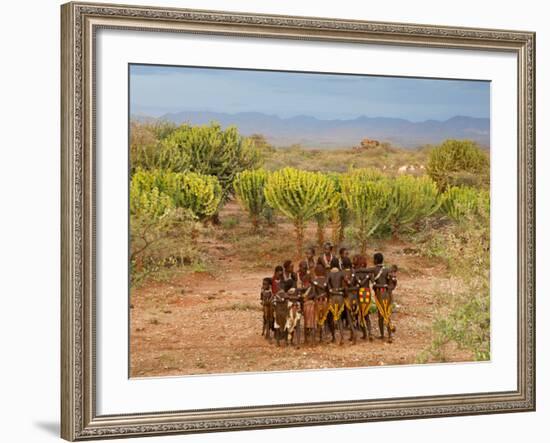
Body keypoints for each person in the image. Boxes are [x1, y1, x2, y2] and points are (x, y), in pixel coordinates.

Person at [367, 252, 398, 343]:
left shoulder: (374, 269)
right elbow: (394, 281)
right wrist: (390, 289)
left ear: (376, 260)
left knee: (381, 315)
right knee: (386, 314)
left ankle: (384, 335)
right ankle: (389, 336)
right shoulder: (387, 270)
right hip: (387, 295)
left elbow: (364, 270)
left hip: (380, 295)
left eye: (373, 259)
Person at [352, 255, 374, 341]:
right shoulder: (368, 272)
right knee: (366, 314)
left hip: (359, 294)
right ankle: (370, 333)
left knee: (360, 314)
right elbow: (373, 281)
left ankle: (365, 334)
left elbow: (355, 284)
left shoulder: (356, 272)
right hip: (367, 293)